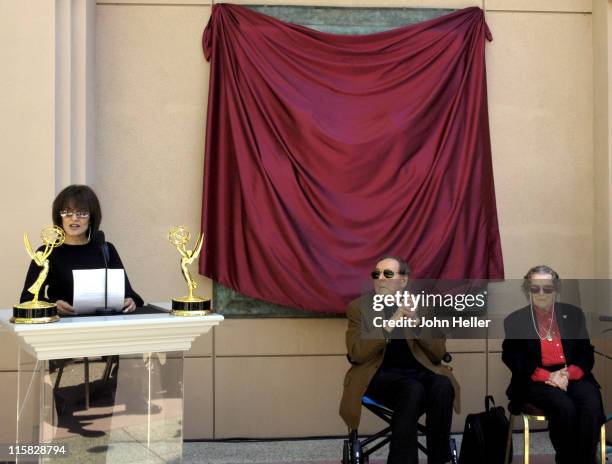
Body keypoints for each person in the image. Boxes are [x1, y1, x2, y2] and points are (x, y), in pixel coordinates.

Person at [339, 256, 459, 464]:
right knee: (411, 388)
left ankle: (439, 460)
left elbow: (438, 353)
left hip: (418, 374)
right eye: (377, 274)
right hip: (377, 377)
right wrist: (388, 325)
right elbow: (356, 353)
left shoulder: (421, 306)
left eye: (388, 274)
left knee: (442, 385)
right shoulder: (359, 308)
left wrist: (417, 324)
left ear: (403, 281)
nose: (380, 279)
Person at [502, 265, 604, 464]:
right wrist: (548, 376)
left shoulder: (574, 314)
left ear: (556, 290)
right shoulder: (515, 320)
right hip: (535, 379)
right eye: (535, 288)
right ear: (527, 291)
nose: (541, 293)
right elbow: (513, 358)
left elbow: (586, 352)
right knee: (563, 405)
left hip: (571, 374)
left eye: (547, 288)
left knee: (591, 404)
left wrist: (568, 375)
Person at [20, 184, 143, 314]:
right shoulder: (47, 252)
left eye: (82, 213)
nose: (74, 218)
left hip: (104, 325)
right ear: (60, 218)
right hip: (63, 327)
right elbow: (27, 299)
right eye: (67, 212)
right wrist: (53, 305)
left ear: (91, 218)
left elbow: (130, 294)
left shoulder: (105, 249)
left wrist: (131, 301)